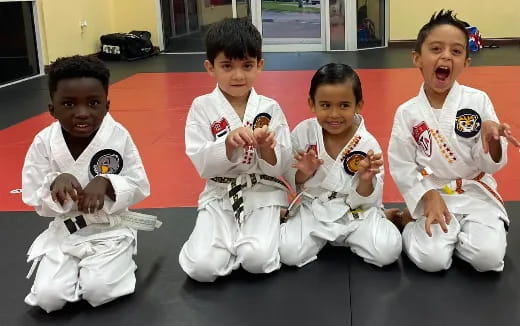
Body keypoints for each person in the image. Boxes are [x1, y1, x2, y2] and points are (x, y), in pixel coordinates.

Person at [22, 55, 159, 313]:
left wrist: (107, 182)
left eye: (93, 103)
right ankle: (80, 271)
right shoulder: (43, 142)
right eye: (69, 104)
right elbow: (32, 196)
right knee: (48, 299)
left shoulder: (117, 136)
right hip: (67, 231)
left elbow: (139, 184)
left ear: (107, 106)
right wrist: (54, 183)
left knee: (99, 291)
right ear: (52, 109)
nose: (82, 112)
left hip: (110, 230)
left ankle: (121, 256)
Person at [388, 10, 520, 272]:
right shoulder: (408, 112)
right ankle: (410, 221)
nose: (446, 56)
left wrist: (493, 141)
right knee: (432, 261)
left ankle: (457, 233)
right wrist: (426, 194)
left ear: (466, 62)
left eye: (456, 51)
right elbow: (402, 164)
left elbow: (492, 165)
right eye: (436, 48)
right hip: (433, 195)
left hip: (474, 194)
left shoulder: (478, 101)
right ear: (417, 58)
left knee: (488, 259)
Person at [179, 18, 292, 282]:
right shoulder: (202, 107)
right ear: (210, 67)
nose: (238, 75)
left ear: (259, 66)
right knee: (202, 269)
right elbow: (201, 161)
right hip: (220, 194)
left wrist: (267, 149)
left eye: (247, 65)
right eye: (227, 66)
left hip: (264, 192)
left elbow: (283, 163)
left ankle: (266, 226)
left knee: (258, 260)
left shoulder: (270, 107)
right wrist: (226, 144)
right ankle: (225, 241)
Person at [279, 63, 402, 268]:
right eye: (325, 105)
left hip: (354, 212)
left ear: (358, 105)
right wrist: (303, 173)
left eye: (344, 105)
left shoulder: (367, 144)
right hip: (313, 208)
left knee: (387, 251)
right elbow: (290, 176)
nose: (334, 114)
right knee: (289, 253)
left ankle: (382, 219)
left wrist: (365, 180)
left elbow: (368, 197)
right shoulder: (304, 132)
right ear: (312, 104)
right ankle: (287, 220)